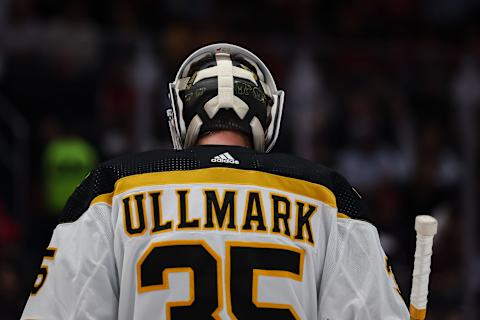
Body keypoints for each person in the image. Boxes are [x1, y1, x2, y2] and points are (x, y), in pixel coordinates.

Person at [21, 43, 409, 319]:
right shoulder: (328, 196)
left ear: (179, 114)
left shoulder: (113, 188)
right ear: (267, 117)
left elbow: (61, 311)